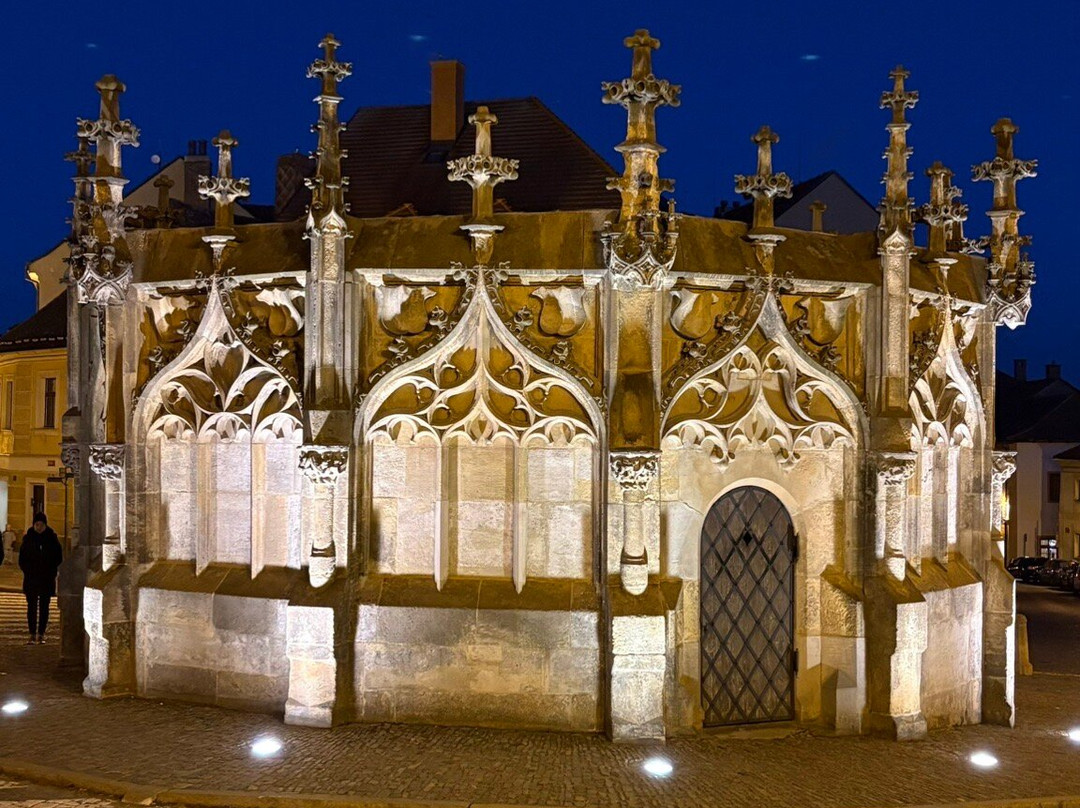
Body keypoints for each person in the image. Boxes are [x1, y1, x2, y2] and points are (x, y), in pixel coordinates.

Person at [18, 513, 62, 645]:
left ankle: (41, 633)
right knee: (31, 606)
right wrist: (27, 570)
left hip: (46, 578)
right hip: (31, 578)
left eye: (41, 524)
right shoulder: (28, 538)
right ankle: (32, 633)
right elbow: (22, 558)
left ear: (45, 525)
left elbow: (58, 557)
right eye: (36, 524)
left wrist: (51, 571)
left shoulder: (52, 539)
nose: (38, 527)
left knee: (44, 606)